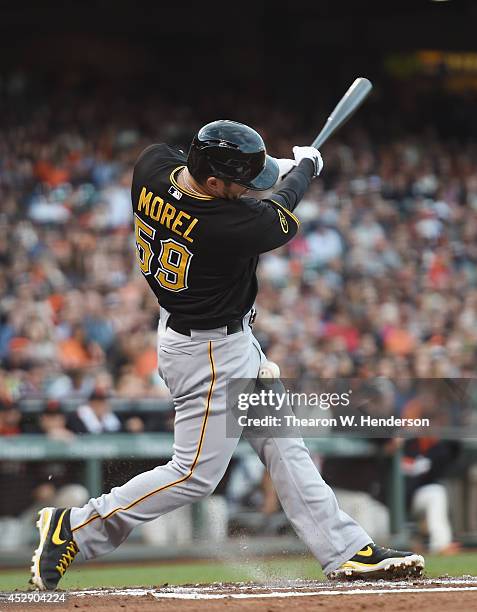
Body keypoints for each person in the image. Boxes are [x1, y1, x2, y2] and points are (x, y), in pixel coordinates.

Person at [30, 120, 424, 589]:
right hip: (210, 353)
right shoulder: (226, 226)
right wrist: (305, 171)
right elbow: (280, 210)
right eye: (239, 182)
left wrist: (271, 162)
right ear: (213, 182)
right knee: (194, 474)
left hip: (210, 337)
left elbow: (206, 165)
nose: (247, 189)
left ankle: (345, 549)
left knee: (283, 445)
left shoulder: (152, 165)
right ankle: (74, 527)